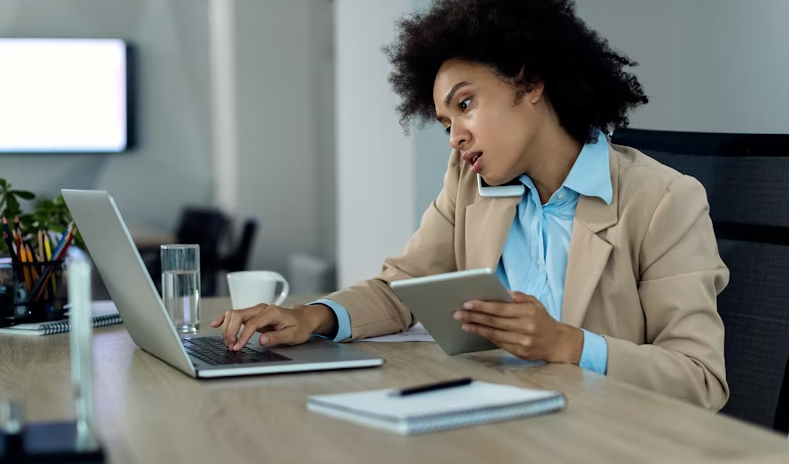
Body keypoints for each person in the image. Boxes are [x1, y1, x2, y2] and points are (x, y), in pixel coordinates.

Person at [212, 0, 729, 410]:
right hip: (501, 422)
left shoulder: (663, 200)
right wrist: (312, 317)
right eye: (445, 123)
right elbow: (403, 289)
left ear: (530, 82)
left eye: (465, 105)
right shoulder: (470, 183)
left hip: (606, 438)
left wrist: (567, 344)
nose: (456, 136)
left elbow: (700, 378)